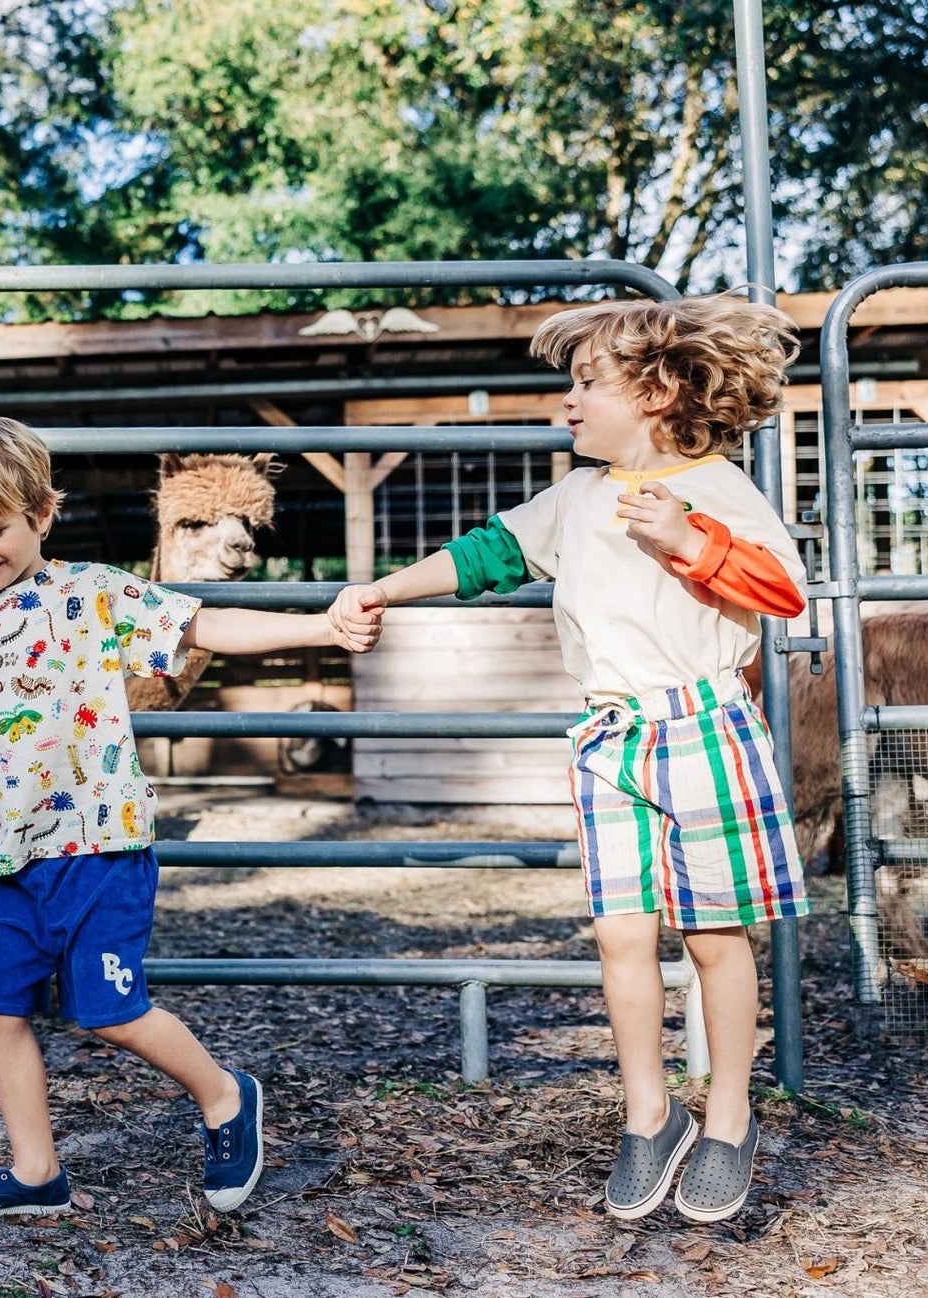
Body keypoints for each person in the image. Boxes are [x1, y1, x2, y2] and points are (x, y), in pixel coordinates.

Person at [332, 295, 809, 1224]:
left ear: (660, 391)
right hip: (609, 736)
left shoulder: (715, 489)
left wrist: (687, 538)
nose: (569, 402)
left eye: (588, 384)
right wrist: (383, 588)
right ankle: (648, 1115)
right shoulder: (578, 497)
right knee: (619, 933)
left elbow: (783, 590)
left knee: (715, 937)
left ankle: (730, 1119)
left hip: (705, 725)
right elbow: (492, 552)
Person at [0, 417, 381, 1220]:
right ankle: (36, 1172)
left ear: (41, 514)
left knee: (109, 1010)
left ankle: (224, 1096)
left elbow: (203, 625)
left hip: (99, 845)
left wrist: (321, 625)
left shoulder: (93, 594)